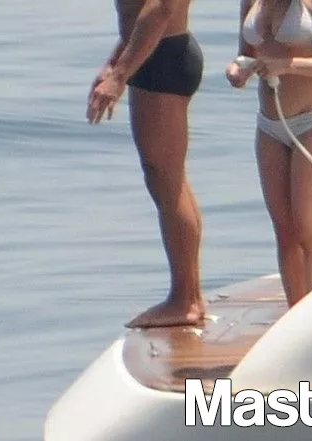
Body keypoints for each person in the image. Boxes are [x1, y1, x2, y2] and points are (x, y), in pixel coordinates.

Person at [225, 0, 312, 307]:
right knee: (285, 233)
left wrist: (289, 65)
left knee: (309, 230)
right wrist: (238, 70)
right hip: (270, 124)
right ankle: (296, 316)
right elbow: (246, 52)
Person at [86, 0, 205, 328]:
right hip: (152, 53)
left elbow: (162, 9)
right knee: (165, 180)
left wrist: (119, 77)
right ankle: (189, 295)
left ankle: (184, 300)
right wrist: (114, 63)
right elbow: (136, 14)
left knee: (167, 180)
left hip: (162, 56)